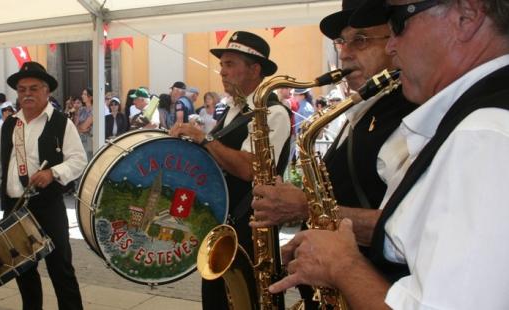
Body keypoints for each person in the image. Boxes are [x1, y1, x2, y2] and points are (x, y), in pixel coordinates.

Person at [268, 0, 509, 309]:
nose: (392, 46)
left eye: (397, 23)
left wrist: (342, 265)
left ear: (466, 16)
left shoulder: (484, 135)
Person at [252, 0, 418, 297]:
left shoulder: (410, 118)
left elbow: (408, 230)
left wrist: (303, 206)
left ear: (395, 41)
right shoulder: (360, 110)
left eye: (361, 40)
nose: (344, 53)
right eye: (341, 41)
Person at [169, 30, 291, 310]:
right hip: (225, 227)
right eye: (222, 64)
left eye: (230, 64)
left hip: (252, 233)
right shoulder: (234, 110)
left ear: (255, 69)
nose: (222, 72)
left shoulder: (273, 113)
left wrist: (205, 138)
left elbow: (251, 169)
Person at [0, 61, 87, 310]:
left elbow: (79, 160)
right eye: (22, 89)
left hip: (47, 207)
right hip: (14, 208)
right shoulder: (10, 124)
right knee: (23, 272)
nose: (27, 94)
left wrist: (53, 172)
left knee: (61, 269)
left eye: (33, 88)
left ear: (46, 91)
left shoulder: (62, 123)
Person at [76, 88, 94, 159]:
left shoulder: (94, 109)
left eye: (85, 94)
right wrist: (82, 129)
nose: (82, 96)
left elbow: (84, 126)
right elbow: (75, 127)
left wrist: (81, 128)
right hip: (80, 139)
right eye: (82, 94)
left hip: (89, 141)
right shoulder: (81, 109)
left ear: (91, 97)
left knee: (88, 160)